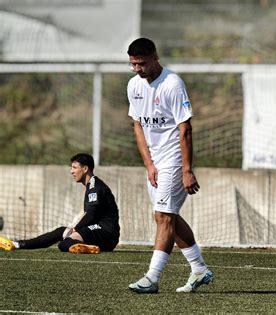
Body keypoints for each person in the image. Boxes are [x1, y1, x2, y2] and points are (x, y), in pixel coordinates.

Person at [127, 38, 214, 294]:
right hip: (155, 162)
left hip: (174, 158)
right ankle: (199, 269)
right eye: (133, 64)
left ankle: (152, 278)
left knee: (163, 217)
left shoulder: (172, 84)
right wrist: (149, 165)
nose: (137, 69)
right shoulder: (134, 85)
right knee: (167, 216)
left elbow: (185, 129)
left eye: (141, 63)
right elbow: (138, 126)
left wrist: (187, 169)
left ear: (155, 57)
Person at [0, 153, 120, 254]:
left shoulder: (94, 186)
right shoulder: (92, 185)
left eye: (74, 167)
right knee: (60, 231)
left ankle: (84, 247)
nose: (71, 171)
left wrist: (75, 229)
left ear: (85, 169)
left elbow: (91, 214)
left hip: (106, 233)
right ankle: (18, 244)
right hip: (100, 232)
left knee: (65, 243)